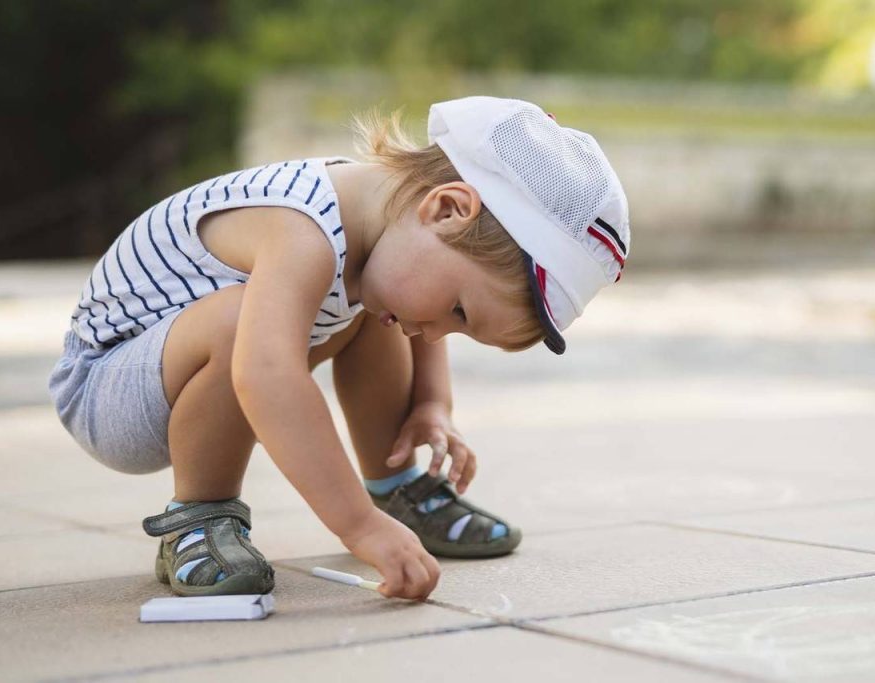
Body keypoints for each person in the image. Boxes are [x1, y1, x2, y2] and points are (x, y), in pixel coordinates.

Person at [47, 96, 630, 602]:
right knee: (243, 320)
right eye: (459, 311)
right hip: (110, 389)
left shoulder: (389, 228)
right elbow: (266, 374)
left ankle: (393, 486)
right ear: (446, 208)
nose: (435, 334)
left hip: (190, 368)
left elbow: (417, 307)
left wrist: (432, 405)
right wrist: (357, 527)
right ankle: (199, 519)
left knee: (387, 309)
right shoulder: (302, 227)